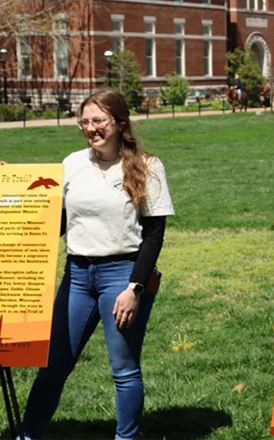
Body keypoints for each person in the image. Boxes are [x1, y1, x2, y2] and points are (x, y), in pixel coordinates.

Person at [21, 90, 174, 440]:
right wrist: (9, 189)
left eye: (99, 120)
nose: (91, 128)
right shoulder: (72, 163)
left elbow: (154, 234)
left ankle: (126, 437)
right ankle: (28, 435)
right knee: (53, 367)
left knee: (124, 369)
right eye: (85, 122)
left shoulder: (147, 166)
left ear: (119, 123)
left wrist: (134, 288)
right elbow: (56, 222)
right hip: (76, 276)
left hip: (122, 276)